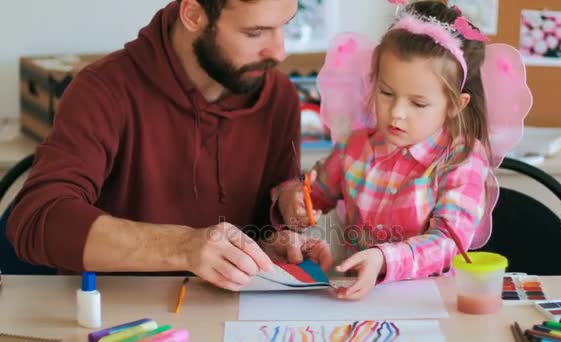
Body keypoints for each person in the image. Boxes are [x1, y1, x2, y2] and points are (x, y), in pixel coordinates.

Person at [7, 0, 333, 291]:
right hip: (119, 315)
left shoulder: (277, 97)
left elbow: (262, 224)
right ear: (193, 14)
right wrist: (183, 247)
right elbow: (38, 220)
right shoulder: (103, 91)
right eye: (256, 32)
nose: (279, 53)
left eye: (284, 26)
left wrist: (271, 245)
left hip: (228, 313)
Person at [274, 0, 531, 300]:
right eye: (386, 93)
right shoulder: (354, 148)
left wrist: (385, 258)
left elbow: (449, 242)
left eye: (418, 103)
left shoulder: (461, 159)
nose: (396, 113)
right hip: (357, 296)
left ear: (455, 105)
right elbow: (310, 196)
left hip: (429, 301)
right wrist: (292, 203)